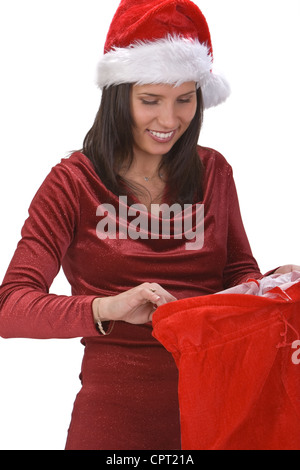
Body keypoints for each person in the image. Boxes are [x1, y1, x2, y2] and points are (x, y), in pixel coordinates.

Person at [0, 0, 298, 450]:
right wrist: (107, 308)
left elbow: (238, 272)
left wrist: (264, 290)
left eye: (185, 100)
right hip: (116, 417)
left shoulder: (214, 171)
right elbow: (10, 307)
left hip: (221, 404)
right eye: (150, 100)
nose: (169, 120)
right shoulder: (73, 183)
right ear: (119, 95)